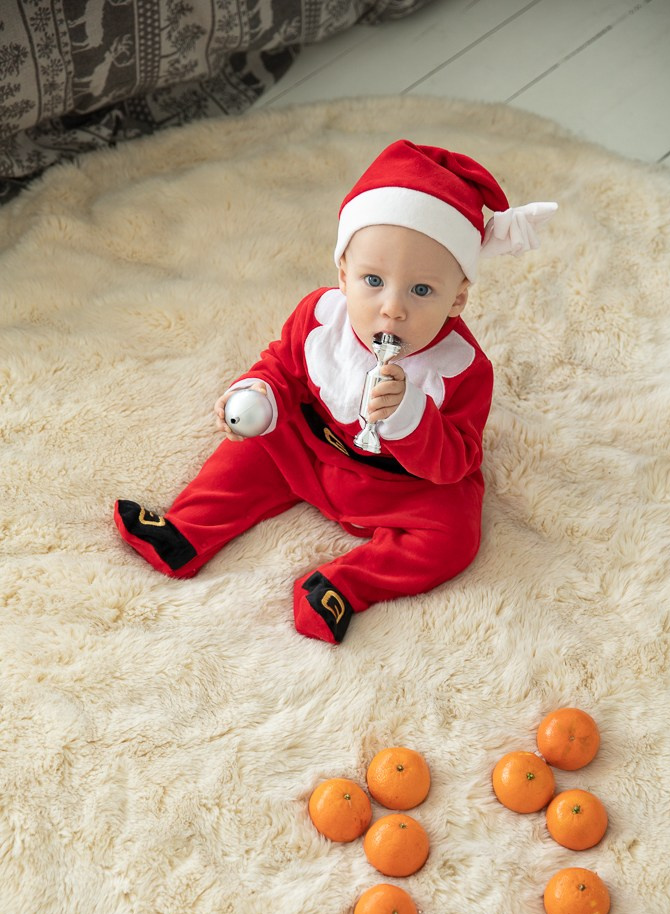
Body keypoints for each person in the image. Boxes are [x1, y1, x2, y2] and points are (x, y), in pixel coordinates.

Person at [114, 140, 556, 643]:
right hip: (312, 444)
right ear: (343, 274)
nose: (392, 308)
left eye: (421, 291)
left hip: (402, 486)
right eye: (373, 280)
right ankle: (184, 532)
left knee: (455, 537)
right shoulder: (322, 318)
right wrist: (258, 393)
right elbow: (282, 366)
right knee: (252, 450)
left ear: (457, 299)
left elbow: (458, 461)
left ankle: (339, 587)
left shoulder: (463, 368)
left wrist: (412, 415)